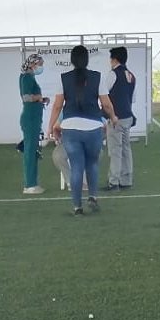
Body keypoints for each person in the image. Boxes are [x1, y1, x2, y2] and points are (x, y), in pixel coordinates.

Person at [47, 45, 116, 216]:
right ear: (87, 59)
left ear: (72, 60)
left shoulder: (63, 78)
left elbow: (57, 106)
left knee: (76, 167)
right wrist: (113, 117)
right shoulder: (97, 77)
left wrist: (50, 126)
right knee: (92, 164)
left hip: (70, 129)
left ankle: (77, 207)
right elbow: (106, 104)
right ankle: (92, 197)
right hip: (93, 128)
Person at [103, 46, 136, 190]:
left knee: (115, 150)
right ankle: (126, 179)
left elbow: (104, 95)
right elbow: (132, 99)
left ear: (115, 59)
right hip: (128, 116)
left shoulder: (113, 74)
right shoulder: (131, 75)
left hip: (116, 117)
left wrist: (108, 114)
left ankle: (114, 181)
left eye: (111, 58)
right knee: (126, 149)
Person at [18, 52, 46, 194]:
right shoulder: (27, 78)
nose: (41, 67)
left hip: (33, 118)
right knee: (29, 151)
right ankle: (30, 185)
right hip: (30, 119)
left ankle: (33, 182)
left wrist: (41, 100)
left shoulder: (29, 77)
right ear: (33, 64)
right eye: (40, 64)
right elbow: (26, 97)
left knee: (32, 150)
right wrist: (39, 97)